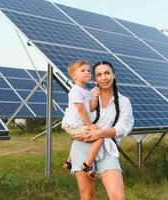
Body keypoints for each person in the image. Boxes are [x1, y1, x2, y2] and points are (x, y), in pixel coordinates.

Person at [70, 61, 134, 200]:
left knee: (118, 197)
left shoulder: (123, 101)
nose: (104, 78)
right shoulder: (85, 95)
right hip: (82, 148)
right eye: (99, 75)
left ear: (114, 75)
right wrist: (75, 133)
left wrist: (100, 133)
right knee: (88, 196)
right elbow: (71, 118)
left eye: (107, 73)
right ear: (95, 79)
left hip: (106, 150)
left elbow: (124, 127)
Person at [61, 59, 101, 179]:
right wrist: (90, 125)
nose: (88, 72)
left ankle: (69, 162)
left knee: (84, 137)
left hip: (77, 124)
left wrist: (95, 96)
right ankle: (86, 165)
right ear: (73, 76)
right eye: (83, 70)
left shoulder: (86, 91)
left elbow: (91, 108)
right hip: (73, 125)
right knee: (99, 136)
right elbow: (81, 110)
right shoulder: (75, 91)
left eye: (89, 70)